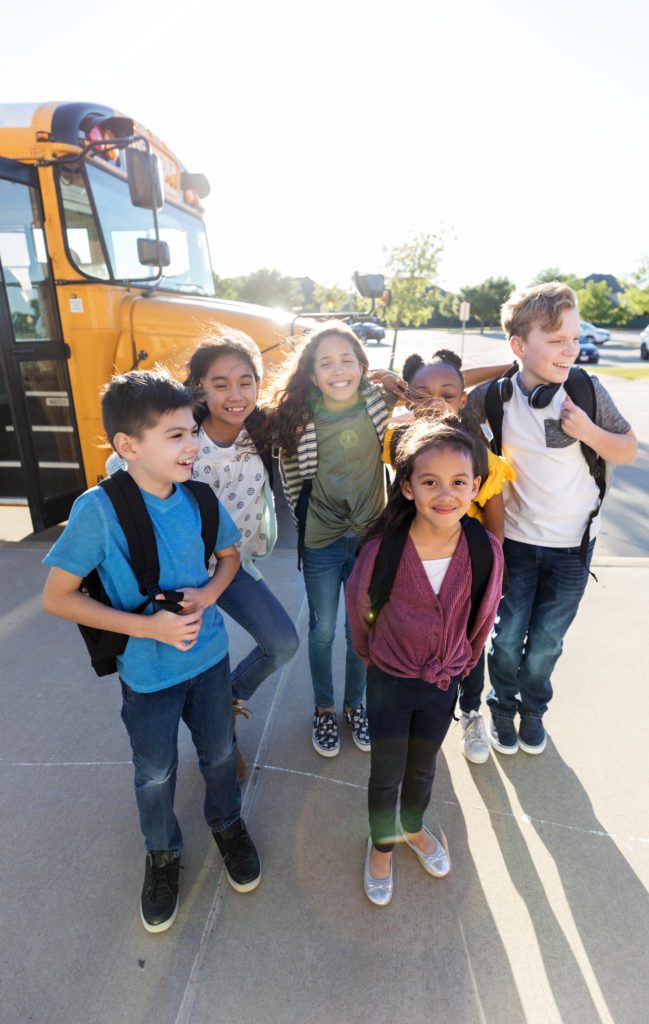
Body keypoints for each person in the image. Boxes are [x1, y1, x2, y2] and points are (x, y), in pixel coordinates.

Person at [41, 370, 261, 934]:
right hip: (147, 675)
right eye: (175, 435)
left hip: (209, 662)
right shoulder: (99, 510)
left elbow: (229, 558)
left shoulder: (199, 499)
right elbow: (58, 597)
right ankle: (162, 854)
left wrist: (209, 594)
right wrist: (150, 631)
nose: (192, 446)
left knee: (217, 755)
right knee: (156, 772)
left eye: (192, 432)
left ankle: (228, 823)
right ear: (128, 446)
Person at [463, 282, 638, 756]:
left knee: (544, 644)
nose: (571, 350)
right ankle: (501, 707)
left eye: (576, 339)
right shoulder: (495, 398)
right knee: (506, 638)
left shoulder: (584, 389)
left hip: (573, 547)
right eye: (557, 340)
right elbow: (447, 392)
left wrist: (588, 430)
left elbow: (629, 449)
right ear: (519, 346)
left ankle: (533, 710)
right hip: (515, 541)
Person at [346, 418, 504, 905]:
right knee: (386, 772)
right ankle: (381, 848)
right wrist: (379, 660)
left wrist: (460, 663)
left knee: (423, 768)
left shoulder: (485, 550)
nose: (445, 494)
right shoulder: (381, 552)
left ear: (475, 486)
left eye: (459, 483)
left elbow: (482, 618)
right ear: (408, 486)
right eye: (429, 481)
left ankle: (412, 828)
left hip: (443, 682)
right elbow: (360, 615)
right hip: (390, 680)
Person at [376, 348, 515, 765]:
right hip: (413, 566)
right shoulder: (396, 441)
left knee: (468, 642)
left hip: (464, 569)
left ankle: (470, 711)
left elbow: (494, 520)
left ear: (463, 399)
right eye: (422, 393)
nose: (435, 403)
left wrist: (492, 575)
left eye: (448, 393)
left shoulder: (481, 457)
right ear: (406, 397)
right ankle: (408, 708)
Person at [265, 321, 390, 757]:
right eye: (325, 363)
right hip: (322, 543)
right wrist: (310, 528)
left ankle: (356, 706)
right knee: (321, 631)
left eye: (346, 359)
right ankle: (323, 710)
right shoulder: (299, 419)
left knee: (362, 627)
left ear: (361, 365)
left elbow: (431, 397)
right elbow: (292, 483)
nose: (338, 370)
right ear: (312, 374)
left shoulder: (378, 404)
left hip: (371, 539)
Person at [185, 331, 300, 777]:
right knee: (201, 664)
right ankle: (219, 739)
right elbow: (126, 467)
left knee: (282, 643)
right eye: (220, 384)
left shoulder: (261, 430)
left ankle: (227, 703)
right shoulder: (184, 437)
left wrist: (384, 385)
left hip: (233, 564)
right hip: (184, 573)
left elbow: (326, 410)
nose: (235, 395)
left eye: (245, 381)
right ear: (200, 388)